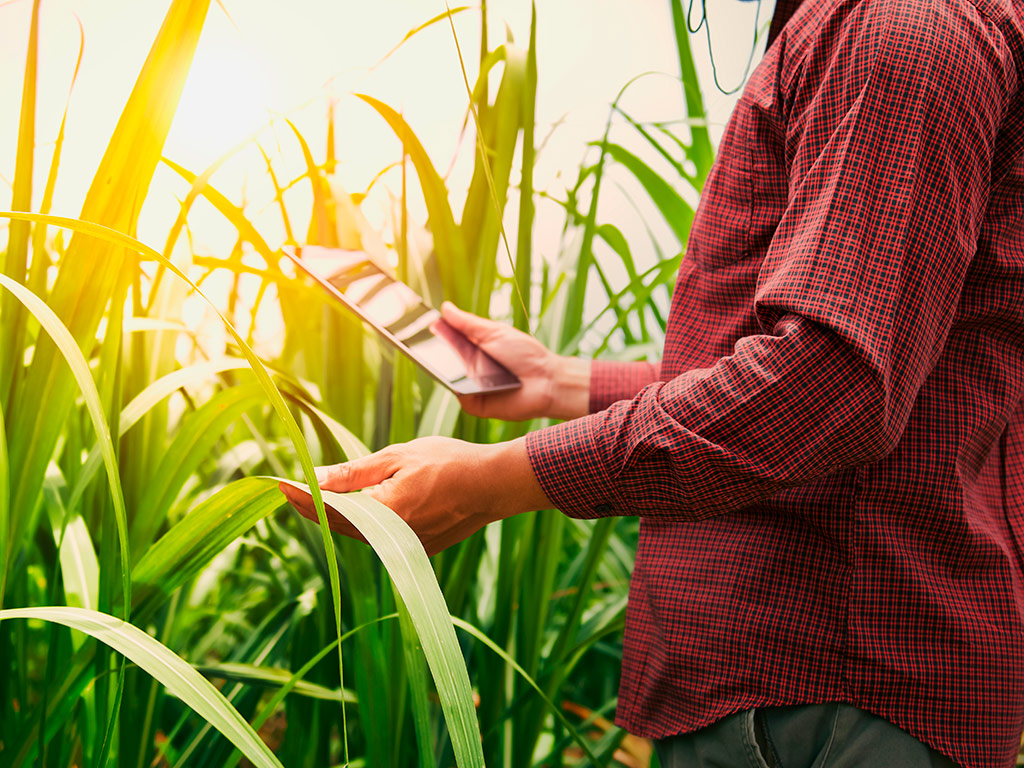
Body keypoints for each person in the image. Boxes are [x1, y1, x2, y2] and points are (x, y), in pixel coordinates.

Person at [281, 0, 1024, 764]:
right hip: (804, 694)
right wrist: (557, 381)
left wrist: (499, 480)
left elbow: (831, 384)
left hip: (822, 691)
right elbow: (856, 370)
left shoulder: (906, 24)